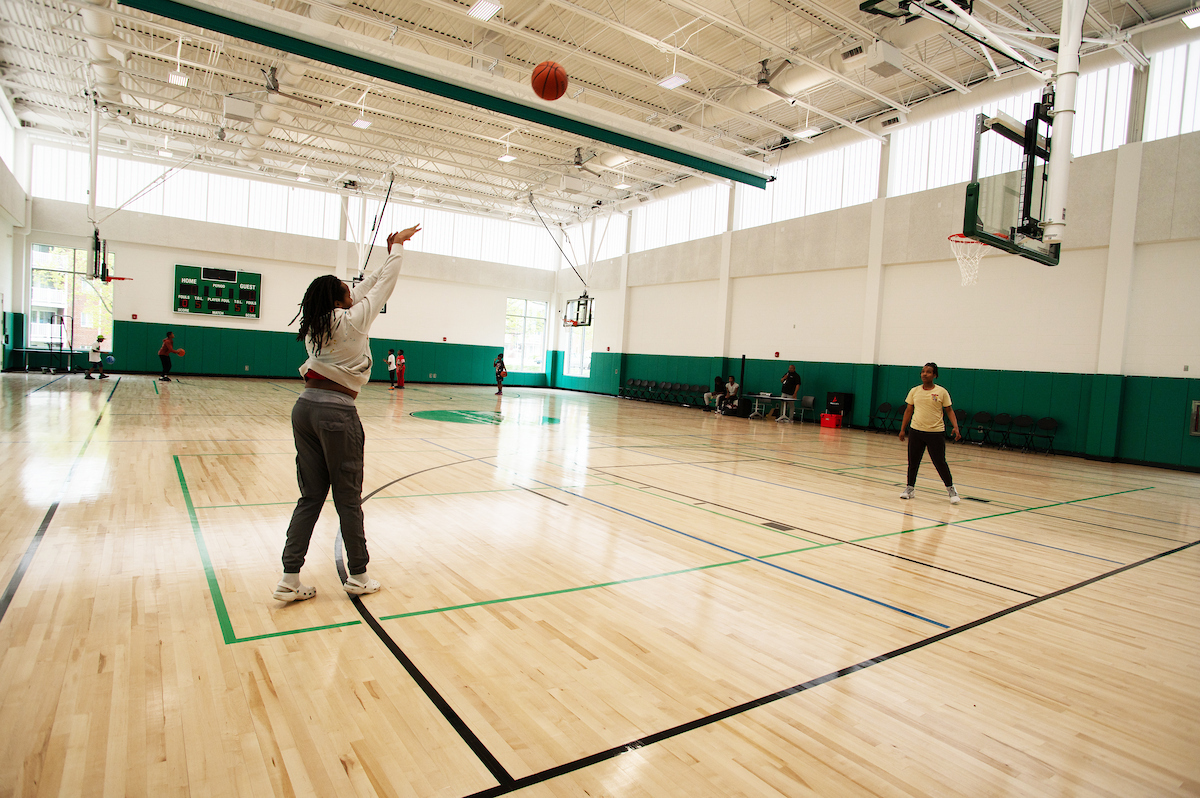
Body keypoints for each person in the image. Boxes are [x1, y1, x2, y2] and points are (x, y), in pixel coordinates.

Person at [274, 224, 421, 603]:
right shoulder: (352, 320)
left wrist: (388, 250)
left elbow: (362, 288)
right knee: (348, 498)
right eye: (345, 289)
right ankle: (358, 575)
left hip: (304, 408)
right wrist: (398, 251)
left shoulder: (316, 325)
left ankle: (289, 579)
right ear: (341, 301)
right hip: (336, 413)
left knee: (310, 498)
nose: (351, 290)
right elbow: (383, 285)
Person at [898, 362, 962, 504]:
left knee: (939, 462)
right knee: (913, 461)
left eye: (928, 372)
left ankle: (951, 489)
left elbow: (949, 410)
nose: (924, 374)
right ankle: (910, 488)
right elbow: (909, 410)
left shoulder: (941, 392)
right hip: (916, 431)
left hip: (935, 432)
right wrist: (903, 429)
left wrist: (955, 426)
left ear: (934, 375)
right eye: (923, 371)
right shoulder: (914, 391)